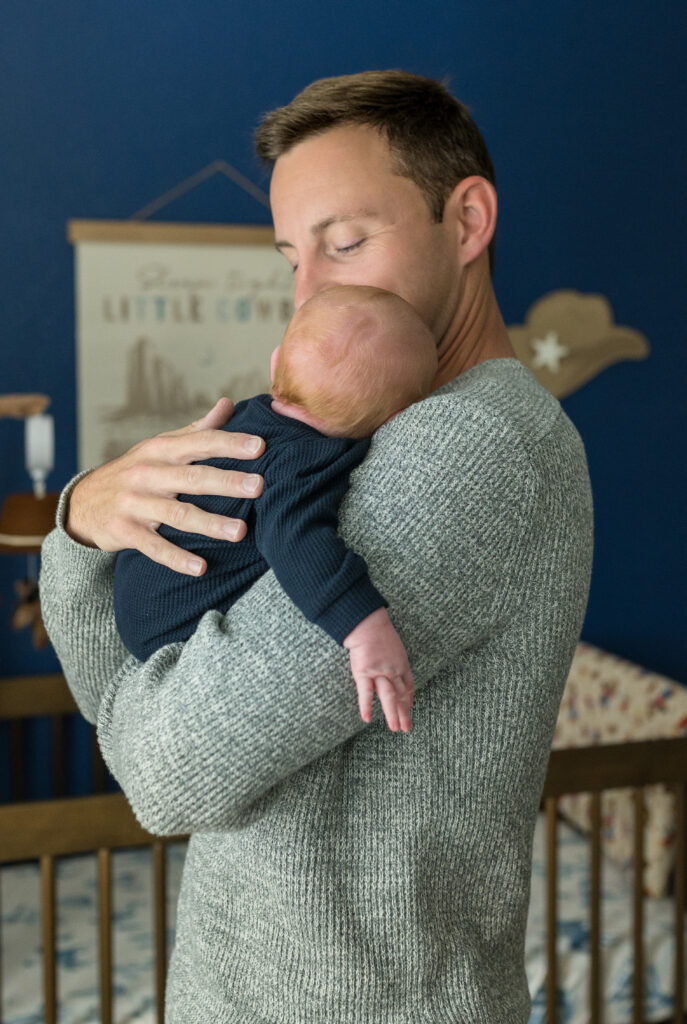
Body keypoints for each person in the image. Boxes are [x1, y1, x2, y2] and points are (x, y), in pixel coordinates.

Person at [40, 70, 593, 1022]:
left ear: (465, 223)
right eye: (292, 257)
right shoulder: (359, 436)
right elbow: (145, 679)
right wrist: (86, 515)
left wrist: (95, 585)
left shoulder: (469, 446)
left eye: (344, 243)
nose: (309, 292)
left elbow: (168, 774)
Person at [114, 284, 439, 732]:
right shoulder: (304, 457)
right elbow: (294, 539)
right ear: (395, 423)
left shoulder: (248, 414)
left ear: (274, 364)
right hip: (177, 620)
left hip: (139, 586)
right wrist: (365, 629)